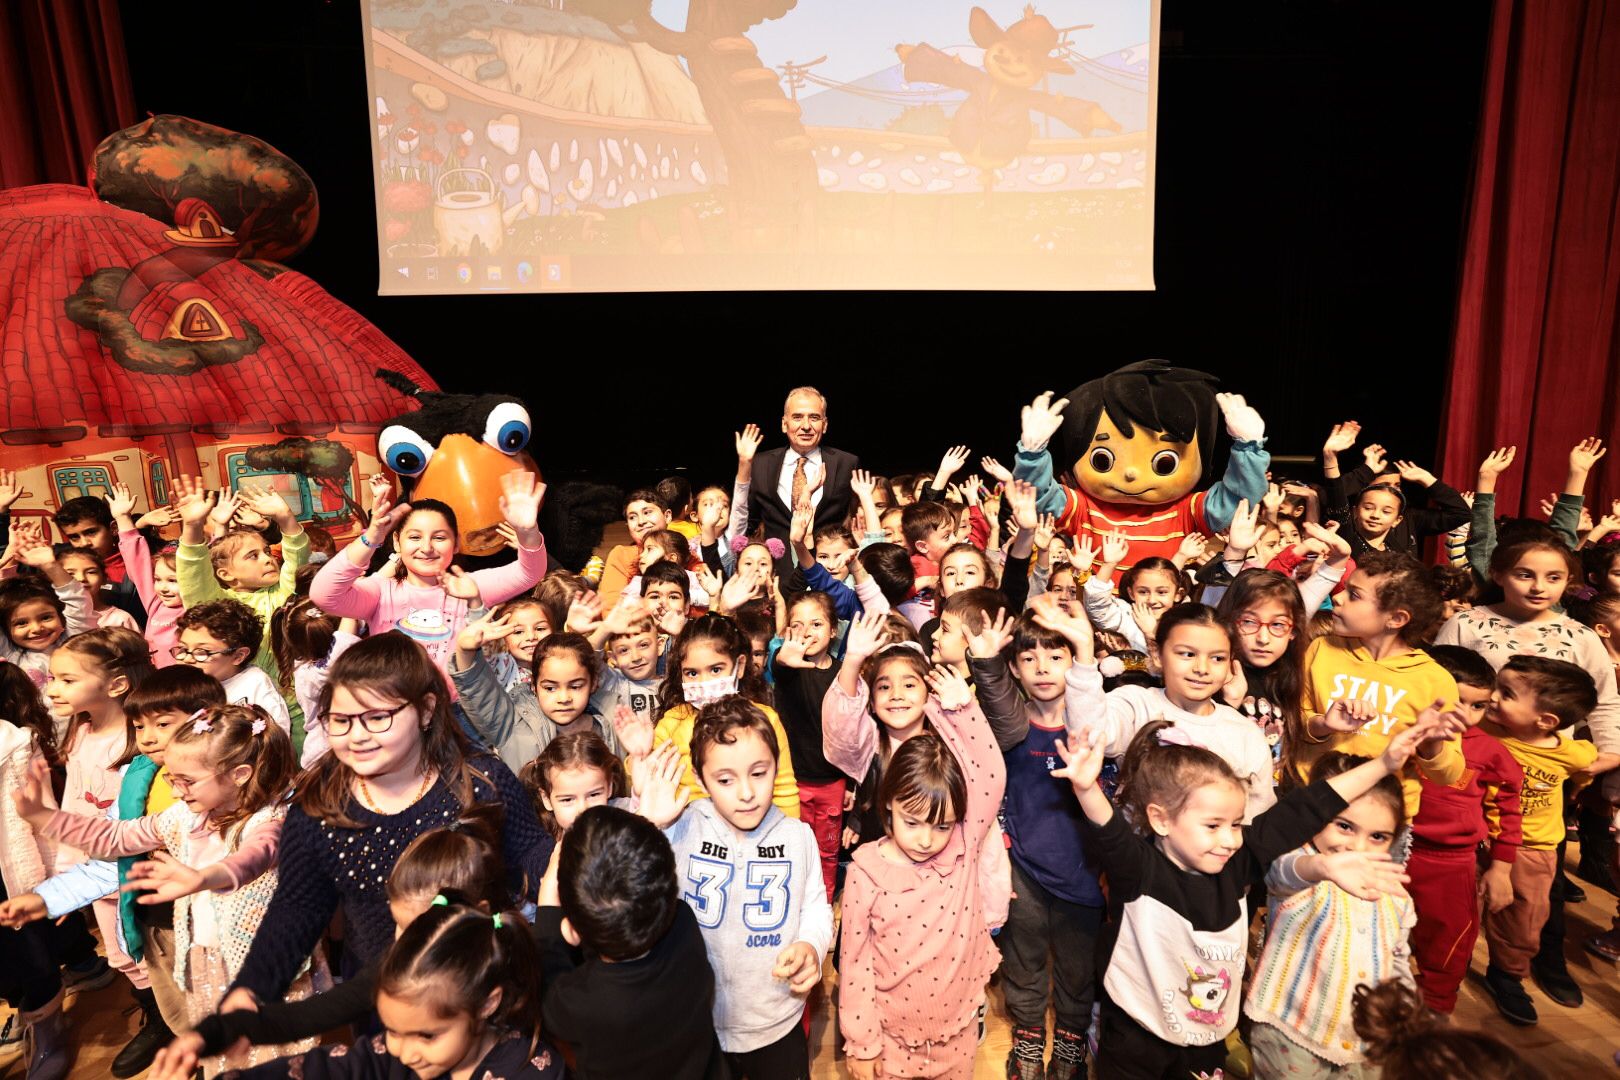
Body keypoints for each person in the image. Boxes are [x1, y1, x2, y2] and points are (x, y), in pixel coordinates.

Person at [1050, 710, 1455, 1080]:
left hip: (1207, 1035)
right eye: (1213, 826)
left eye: (1236, 824)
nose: (1230, 839)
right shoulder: (1138, 870)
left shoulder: (1238, 863)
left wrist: (1384, 764)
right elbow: (1110, 834)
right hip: (1137, 1034)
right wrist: (1086, 790)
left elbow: (1303, 809)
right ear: (1161, 820)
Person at [15, 704, 315, 1076]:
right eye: (172, 778)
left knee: (273, 1059)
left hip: (264, 974)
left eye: (187, 780)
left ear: (239, 774)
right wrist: (46, 818)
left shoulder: (269, 821)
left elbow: (254, 857)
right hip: (211, 963)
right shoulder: (184, 816)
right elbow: (117, 836)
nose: (174, 789)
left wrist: (204, 878)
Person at [650, 698, 833, 1078]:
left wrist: (811, 947)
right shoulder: (680, 827)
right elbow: (632, 892)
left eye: (759, 773)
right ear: (700, 779)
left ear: (776, 767)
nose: (747, 792)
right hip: (697, 1023)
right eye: (725, 780)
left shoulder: (798, 837)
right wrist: (651, 825)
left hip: (775, 1020)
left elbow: (815, 908)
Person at [838, 665, 1005, 1080]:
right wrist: (862, 1043)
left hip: (958, 1035)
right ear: (888, 803)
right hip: (891, 1040)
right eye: (912, 822)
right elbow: (855, 965)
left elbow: (991, 775)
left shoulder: (962, 848)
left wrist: (962, 710)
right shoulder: (865, 871)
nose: (927, 839)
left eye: (942, 825)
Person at [1244, 752, 1416, 1078]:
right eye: (1344, 827)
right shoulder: (1300, 865)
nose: (1358, 848)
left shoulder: (1393, 891)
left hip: (1366, 1039)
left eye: (1378, 837)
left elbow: (1396, 957)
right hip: (1290, 1033)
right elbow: (1284, 872)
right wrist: (1323, 866)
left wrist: (1403, 1013)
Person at [536, 805, 727, 1079]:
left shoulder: (581, 1003)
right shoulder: (684, 923)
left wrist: (547, 909)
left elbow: (546, 988)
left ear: (572, 932)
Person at [1407, 646, 1524, 1015]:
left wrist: (1501, 868)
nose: (1467, 715)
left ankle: (1436, 1005)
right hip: (1391, 850)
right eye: (1457, 701)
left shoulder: (1491, 752)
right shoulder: (1400, 732)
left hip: (1451, 863)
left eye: (1478, 706)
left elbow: (1507, 812)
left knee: (1449, 937)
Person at [745, 388, 861, 576]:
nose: (806, 426)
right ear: (784, 424)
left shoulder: (846, 463)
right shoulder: (760, 464)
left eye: (814, 418)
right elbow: (748, 523)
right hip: (777, 574)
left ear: (825, 424)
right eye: (797, 417)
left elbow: (855, 520)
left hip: (830, 573)